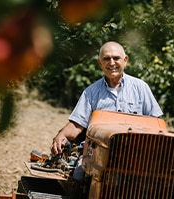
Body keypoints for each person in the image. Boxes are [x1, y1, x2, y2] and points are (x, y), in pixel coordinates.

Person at [50, 41, 163, 185]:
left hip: (136, 155)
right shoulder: (91, 92)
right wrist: (61, 135)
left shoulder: (141, 88)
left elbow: (157, 124)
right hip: (97, 154)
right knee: (78, 175)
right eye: (106, 59)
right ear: (100, 63)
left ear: (125, 60)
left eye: (116, 58)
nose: (112, 63)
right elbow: (76, 124)